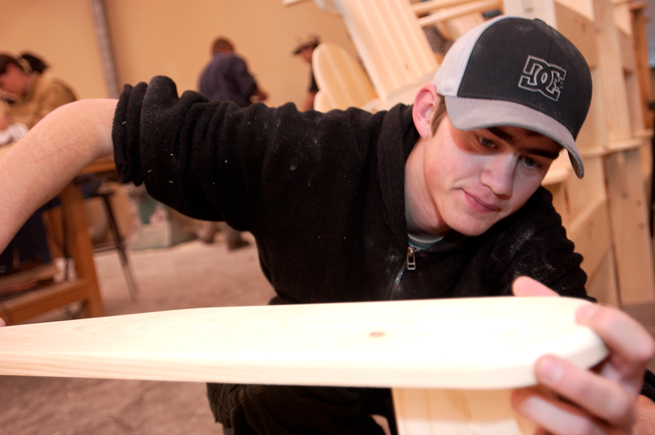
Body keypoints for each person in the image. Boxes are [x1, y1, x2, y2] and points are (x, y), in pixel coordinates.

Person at [0, 16, 654, 434]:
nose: (499, 183)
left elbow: (621, 387)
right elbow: (89, 124)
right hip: (295, 391)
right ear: (428, 110)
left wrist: (624, 409)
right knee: (266, 381)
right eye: (484, 141)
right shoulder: (304, 154)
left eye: (530, 162)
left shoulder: (526, 236)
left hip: (425, 398)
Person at [0, 52, 77, 277]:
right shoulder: (15, 101)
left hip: (72, 172)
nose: (4, 90)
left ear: (14, 71)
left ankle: (38, 263)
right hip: (36, 172)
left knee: (18, 197)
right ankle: (13, 267)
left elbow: (53, 131)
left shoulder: (51, 89)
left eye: (2, 83)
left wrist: (12, 127)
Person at [197, 37, 268, 250]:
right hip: (236, 123)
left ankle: (209, 231)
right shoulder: (233, 59)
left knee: (219, 178)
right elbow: (247, 87)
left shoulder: (204, 72)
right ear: (227, 48)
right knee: (240, 178)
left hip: (212, 128)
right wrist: (259, 94)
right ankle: (233, 237)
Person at [292, 34, 320, 111]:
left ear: (310, 48)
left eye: (302, 53)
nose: (302, 57)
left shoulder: (318, 65)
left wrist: (301, 116)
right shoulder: (325, 61)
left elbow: (312, 94)